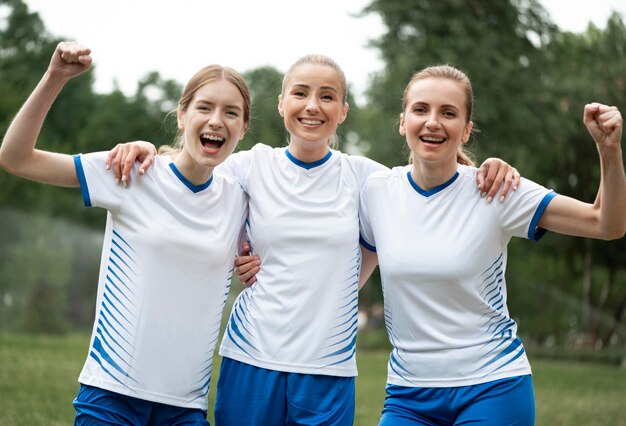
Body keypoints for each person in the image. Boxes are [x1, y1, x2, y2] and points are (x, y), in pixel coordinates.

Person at [105, 55, 519, 426]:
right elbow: (191, 171)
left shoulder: (365, 177)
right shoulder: (249, 165)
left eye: (327, 96)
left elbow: (427, 182)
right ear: (282, 103)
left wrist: (490, 167)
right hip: (251, 359)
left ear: (342, 111)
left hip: (328, 368)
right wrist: (145, 149)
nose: (312, 105)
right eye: (300, 93)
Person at [357, 65, 626, 425]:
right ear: (403, 121)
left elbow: (605, 223)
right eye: (421, 109)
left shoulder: (496, 190)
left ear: (466, 130)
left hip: (492, 387)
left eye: (448, 113)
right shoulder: (377, 191)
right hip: (408, 394)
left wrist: (608, 150)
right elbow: (342, 274)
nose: (433, 122)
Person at [0, 41, 251, 425]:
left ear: (243, 128)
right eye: (204, 107)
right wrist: (55, 77)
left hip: (186, 407)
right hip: (111, 397)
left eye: (231, 112)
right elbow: (17, 158)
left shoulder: (240, 198)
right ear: (182, 116)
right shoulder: (131, 171)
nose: (217, 120)